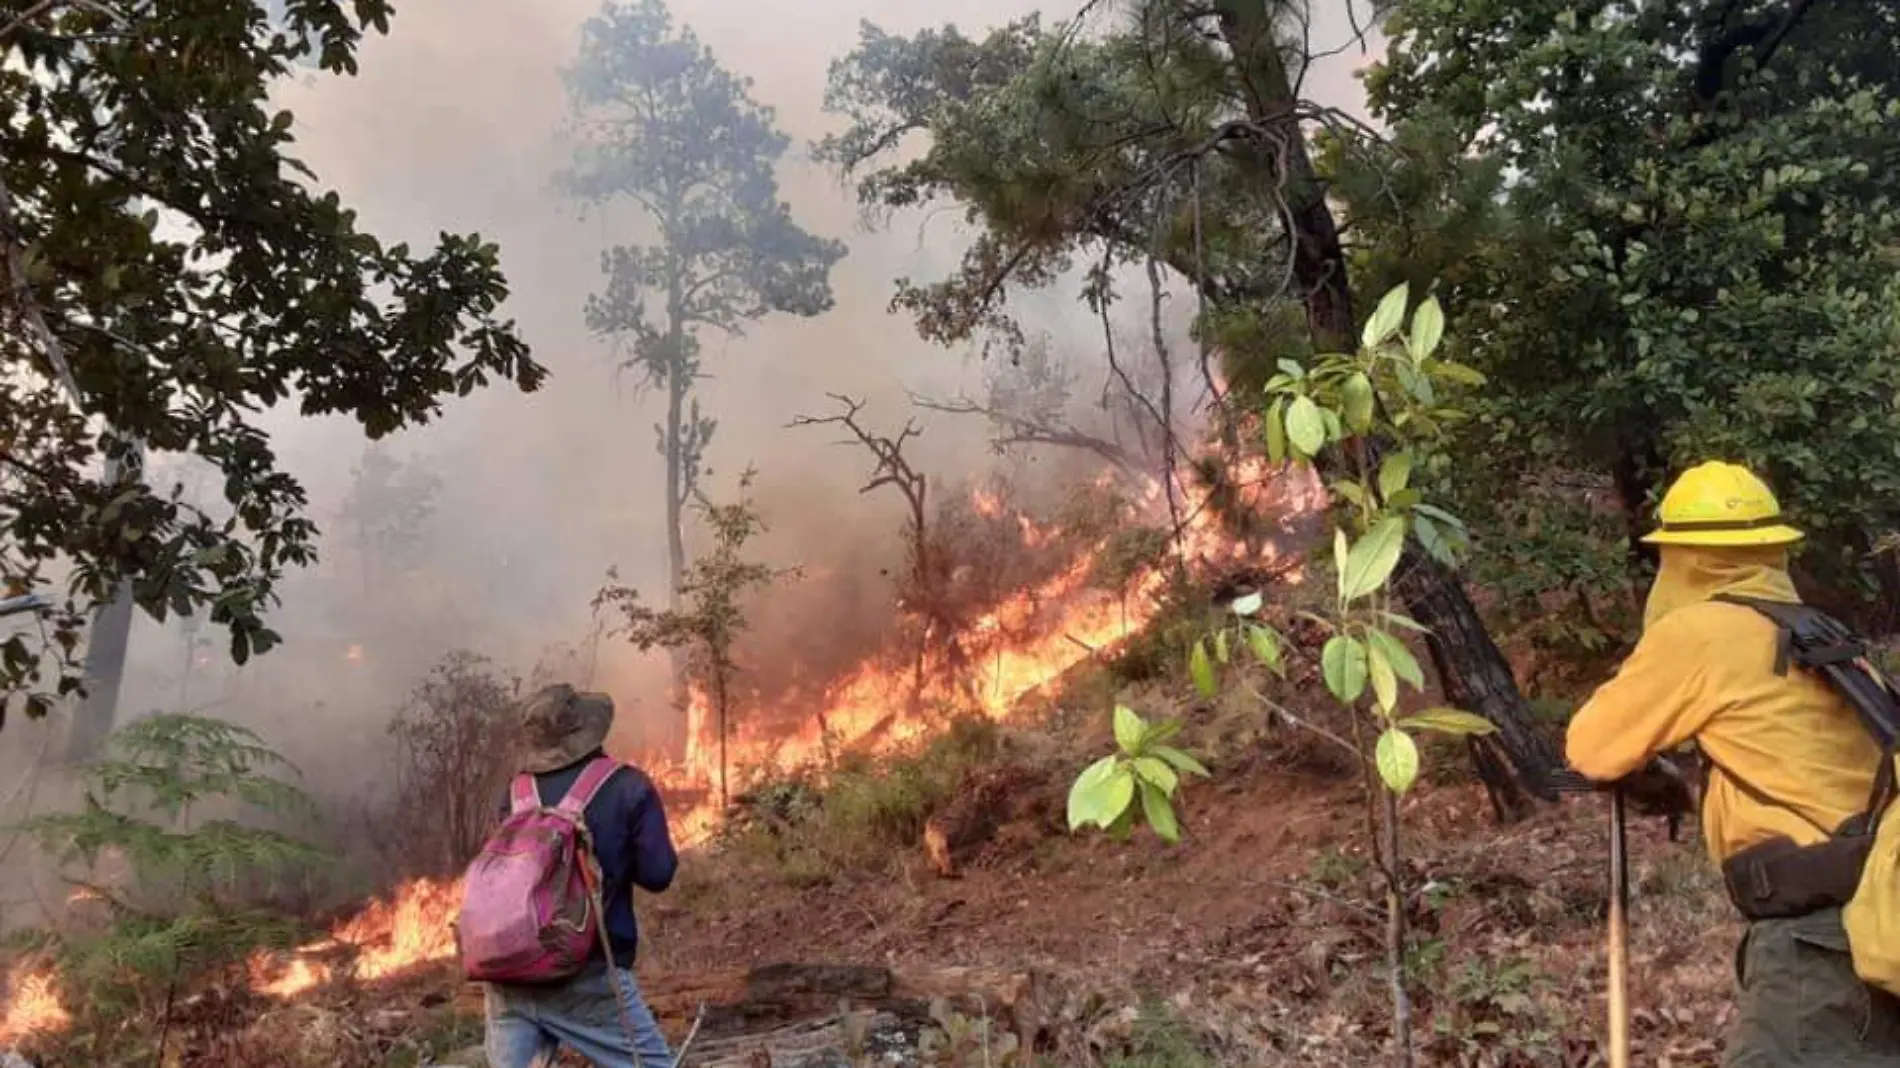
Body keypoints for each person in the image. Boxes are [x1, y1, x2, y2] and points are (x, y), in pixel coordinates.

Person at [1564, 460, 1900, 1066]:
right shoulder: (1818, 633)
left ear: (1681, 557)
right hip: (1879, 912)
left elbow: (1592, 746)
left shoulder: (1704, 631)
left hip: (1818, 943)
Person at [482, 683, 680, 1068]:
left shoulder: (514, 792)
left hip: (507, 977)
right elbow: (659, 875)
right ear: (587, 730)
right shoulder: (627, 786)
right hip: (585, 973)